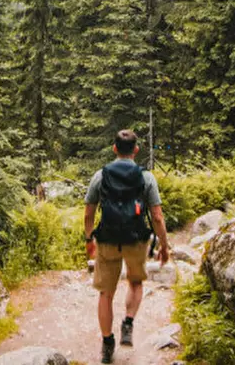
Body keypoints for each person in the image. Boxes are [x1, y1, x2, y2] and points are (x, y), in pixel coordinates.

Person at [84, 129, 170, 364]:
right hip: (136, 240)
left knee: (106, 293)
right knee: (135, 282)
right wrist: (164, 246)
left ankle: (107, 342)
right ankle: (128, 323)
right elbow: (158, 216)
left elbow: (89, 212)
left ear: (114, 149)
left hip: (108, 240)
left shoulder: (100, 176)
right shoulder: (146, 177)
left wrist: (89, 239)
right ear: (136, 150)